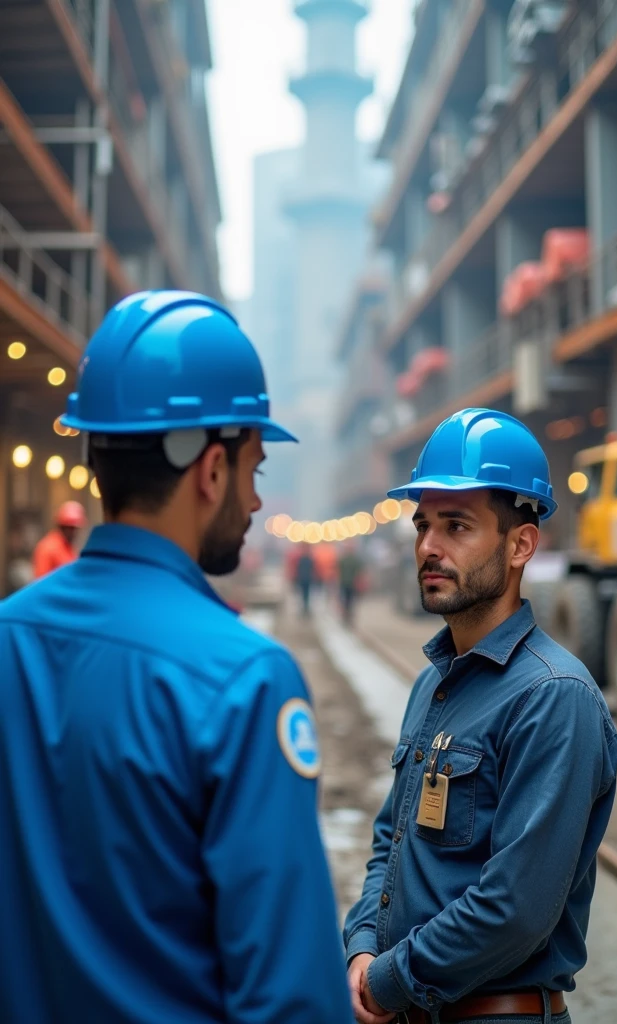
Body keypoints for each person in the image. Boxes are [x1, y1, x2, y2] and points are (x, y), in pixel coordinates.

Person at [0, 291, 351, 1024]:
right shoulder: (244, 680)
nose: (256, 502)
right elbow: (290, 997)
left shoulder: (9, 636)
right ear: (211, 469)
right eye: (254, 469)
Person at [344, 408, 617, 1024]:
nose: (428, 547)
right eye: (422, 526)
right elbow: (392, 840)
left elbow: (515, 907)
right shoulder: (433, 682)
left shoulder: (553, 697)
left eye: (457, 526)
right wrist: (362, 944)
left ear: (520, 544)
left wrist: (389, 978)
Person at [32, 500, 87, 579]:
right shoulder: (48, 547)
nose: (74, 533)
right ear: (61, 526)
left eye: (75, 529)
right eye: (70, 528)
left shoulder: (68, 547)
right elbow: (41, 580)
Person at [338, 541, 364, 625]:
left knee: (348, 599)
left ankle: (347, 614)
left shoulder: (346, 559)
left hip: (349, 582)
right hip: (347, 582)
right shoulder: (350, 559)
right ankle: (347, 614)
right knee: (348, 600)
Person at [295, 542, 317, 616]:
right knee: (303, 594)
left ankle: (306, 607)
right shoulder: (301, 558)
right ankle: (304, 607)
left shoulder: (310, 558)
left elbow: (313, 569)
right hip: (302, 579)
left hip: (307, 579)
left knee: (307, 594)